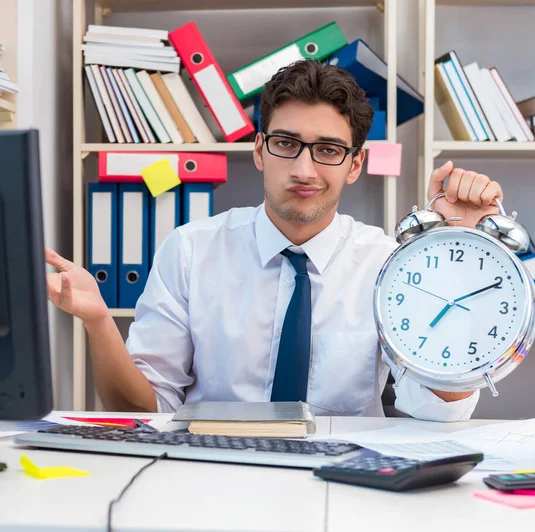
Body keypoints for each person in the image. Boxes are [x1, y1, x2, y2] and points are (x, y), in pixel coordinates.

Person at [46, 60, 503, 421]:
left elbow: (439, 409)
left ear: (355, 164)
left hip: (345, 481)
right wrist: (100, 322)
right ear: (260, 150)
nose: (304, 170)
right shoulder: (191, 250)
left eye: (328, 150)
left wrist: (452, 256)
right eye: (286, 143)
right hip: (211, 476)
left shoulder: (389, 264)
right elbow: (142, 413)